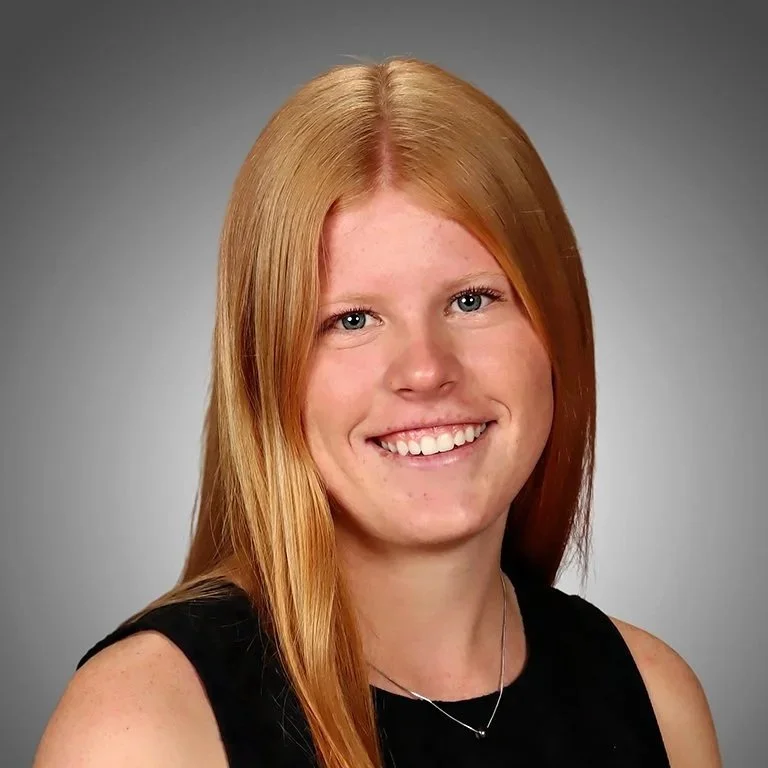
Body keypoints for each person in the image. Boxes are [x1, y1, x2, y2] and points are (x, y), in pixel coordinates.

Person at [34, 56, 721, 768]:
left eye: (472, 300)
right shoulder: (144, 726)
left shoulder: (655, 699)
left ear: (557, 330)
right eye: (353, 319)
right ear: (267, 371)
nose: (425, 369)